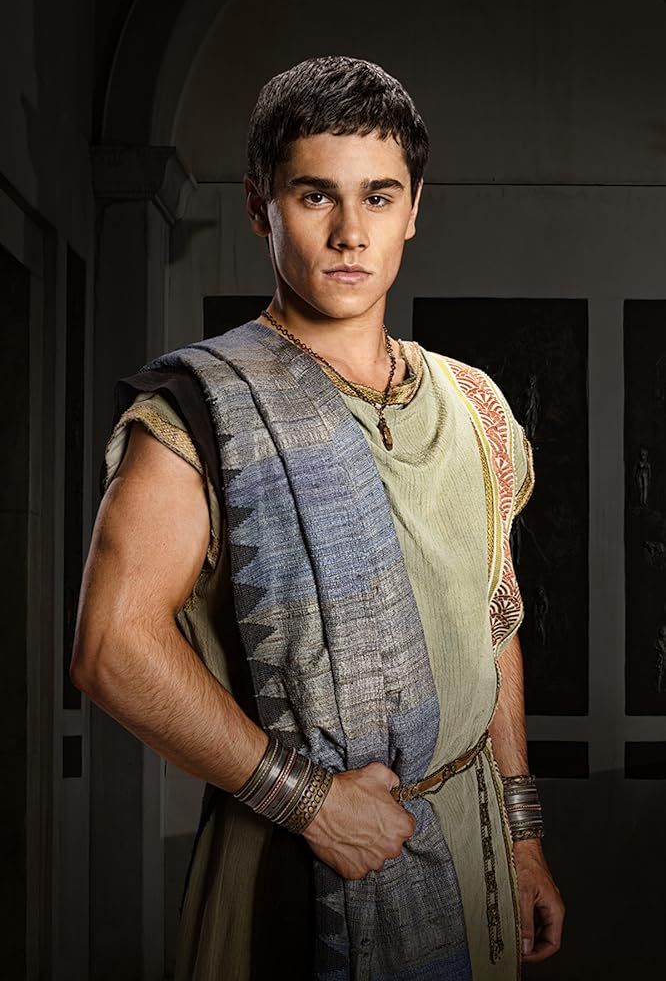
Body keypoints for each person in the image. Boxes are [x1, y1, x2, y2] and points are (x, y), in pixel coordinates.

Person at [71, 56, 564, 980]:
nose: (349, 232)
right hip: (293, 863)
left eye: (379, 196)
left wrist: (522, 832)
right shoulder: (200, 412)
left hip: (471, 848)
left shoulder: (477, 406)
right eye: (314, 196)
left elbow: (492, 622)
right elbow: (111, 648)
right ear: (260, 206)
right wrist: (312, 803)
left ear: (414, 209)